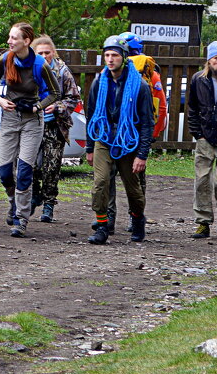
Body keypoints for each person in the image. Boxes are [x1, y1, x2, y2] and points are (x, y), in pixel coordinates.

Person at [0, 22, 59, 238]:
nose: (9, 42)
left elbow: (55, 92)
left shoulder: (40, 65)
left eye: (14, 38)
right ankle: (13, 202)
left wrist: (38, 106)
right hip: (9, 117)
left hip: (32, 121)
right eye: (10, 37)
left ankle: (21, 218)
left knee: (25, 170)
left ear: (26, 41)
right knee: (4, 171)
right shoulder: (5, 58)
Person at [85, 35, 154, 245]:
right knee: (100, 182)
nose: (110, 59)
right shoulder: (99, 82)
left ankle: (138, 219)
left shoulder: (139, 86)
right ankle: (102, 226)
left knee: (133, 189)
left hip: (127, 141)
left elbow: (147, 122)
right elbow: (91, 115)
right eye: (106, 55)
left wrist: (141, 155)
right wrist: (89, 147)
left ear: (124, 57)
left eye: (114, 55)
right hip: (104, 138)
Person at [106, 31, 168, 231]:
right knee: (135, 183)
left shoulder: (113, 72)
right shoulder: (151, 74)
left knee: (110, 180)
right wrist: (151, 136)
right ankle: (135, 218)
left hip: (120, 136)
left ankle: (110, 219)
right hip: (136, 136)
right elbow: (160, 107)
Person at [186, 41, 217, 238]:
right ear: (209, 60)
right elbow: (192, 108)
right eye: (216, 58)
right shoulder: (199, 79)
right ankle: (203, 221)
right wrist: (197, 133)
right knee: (202, 181)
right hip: (205, 137)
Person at [31, 35, 82, 223]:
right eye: (40, 53)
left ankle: (49, 205)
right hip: (33, 123)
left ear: (53, 52)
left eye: (47, 52)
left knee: (51, 167)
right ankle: (35, 193)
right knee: (29, 164)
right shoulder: (29, 69)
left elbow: (73, 97)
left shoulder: (62, 71)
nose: (44, 56)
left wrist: (58, 106)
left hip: (55, 125)